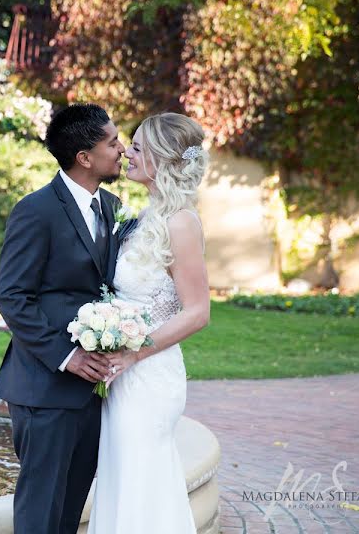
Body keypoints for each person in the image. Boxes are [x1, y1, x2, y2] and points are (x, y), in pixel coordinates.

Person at [0, 103, 126, 534]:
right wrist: (66, 356)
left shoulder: (110, 205)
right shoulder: (36, 210)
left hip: (91, 392)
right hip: (44, 388)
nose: (122, 150)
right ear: (84, 157)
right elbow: (11, 295)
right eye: (112, 142)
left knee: (69, 515)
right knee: (40, 514)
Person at [88, 112, 210, 533]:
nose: (127, 152)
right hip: (124, 371)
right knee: (124, 480)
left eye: (137, 147)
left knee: (142, 483)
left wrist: (132, 352)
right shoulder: (146, 215)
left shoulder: (181, 222)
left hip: (149, 374)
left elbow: (198, 312)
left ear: (161, 158)